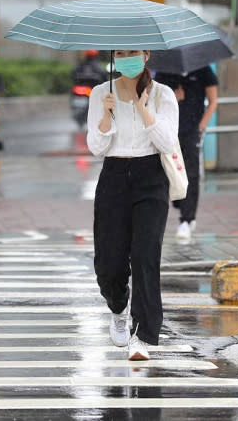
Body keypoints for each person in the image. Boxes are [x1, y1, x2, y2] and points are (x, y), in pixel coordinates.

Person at [87, 49, 179, 361]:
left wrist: (144, 111)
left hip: (150, 177)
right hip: (113, 177)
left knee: (145, 256)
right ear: (114, 56)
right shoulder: (101, 93)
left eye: (133, 53)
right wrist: (105, 116)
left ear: (146, 55)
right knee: (109, 264)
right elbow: (95, 147)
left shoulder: (163, 95)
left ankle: (144, 336)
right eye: (121, 53)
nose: (127, 58)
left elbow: (168, 143)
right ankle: (117, 308)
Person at [154, 67, 219, 240]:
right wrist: (172, 99)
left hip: (192, 130)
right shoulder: (164, 73)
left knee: (190, 172)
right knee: (168, 173)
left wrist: (201, 127)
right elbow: (154, 100)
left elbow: (213, 101)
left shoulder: (203, 71)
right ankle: (179, 203)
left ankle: (187, 219)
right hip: (169, 130)